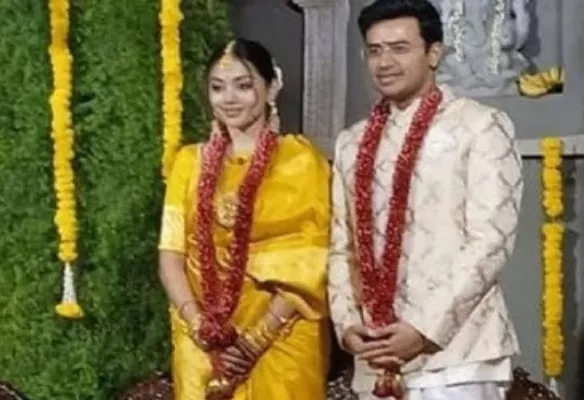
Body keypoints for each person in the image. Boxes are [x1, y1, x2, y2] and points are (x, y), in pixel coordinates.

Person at [327, 0, 524, 399]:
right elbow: (341, 245)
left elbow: (491, 241)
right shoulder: (352, 142)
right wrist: (348, 326)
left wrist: (423, 328)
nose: (385, 62)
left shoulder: (479, 126)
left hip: (459, 356)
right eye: (375, 50)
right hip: (375, 358)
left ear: (434, 53)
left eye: (399, 48)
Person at [158, 38, 330, 400]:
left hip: (282, 332)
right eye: (217, 87)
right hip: (202, 340)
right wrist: (197, 322)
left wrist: (257, 338)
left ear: (272, 87)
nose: (229, 98)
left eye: (243, 85)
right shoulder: (188, 162)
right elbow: (170, 253)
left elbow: (311, 260)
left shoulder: (300, 160)